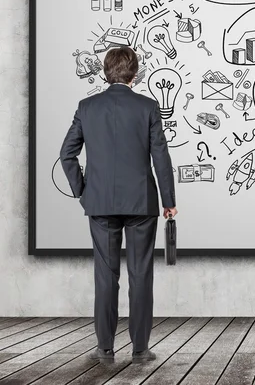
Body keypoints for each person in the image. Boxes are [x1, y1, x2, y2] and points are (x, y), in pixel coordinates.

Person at [60, 46, 177, 364]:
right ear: (135, 74)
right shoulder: (148, 107)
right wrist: (168, 201)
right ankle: (140, 350)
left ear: (105, 73)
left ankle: (105, 349)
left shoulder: (87, 107)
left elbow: (66, 154)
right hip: (141, 203)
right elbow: (160, 157)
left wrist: (83, 191)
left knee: (105, 275)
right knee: (141, 275)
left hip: (99, 203)